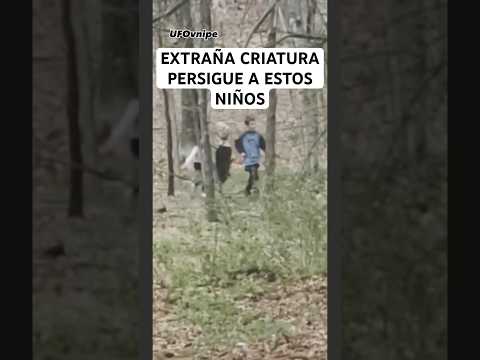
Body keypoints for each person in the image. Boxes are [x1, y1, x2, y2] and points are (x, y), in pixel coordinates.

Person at [234, 116, 266, 196]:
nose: (254, 126)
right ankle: (252, 189)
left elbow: (264, 145)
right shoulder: (243, 136)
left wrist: (267, 153)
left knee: (254, 173)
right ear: (247, 125)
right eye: (252, 124)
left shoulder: (258, 135)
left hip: (256, 159)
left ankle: (249, 189)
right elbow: (237, 144)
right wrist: (242, 152)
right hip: (248, 159)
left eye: (254, 124)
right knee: (253, 173)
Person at [215, 124, 233, 193]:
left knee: (223, 171)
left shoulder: (227, 145)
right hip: (221, 153)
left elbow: (227, 160)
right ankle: (220, 188)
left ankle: (221, 188)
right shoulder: (220, 143)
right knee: (220, 171)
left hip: (225, 151)